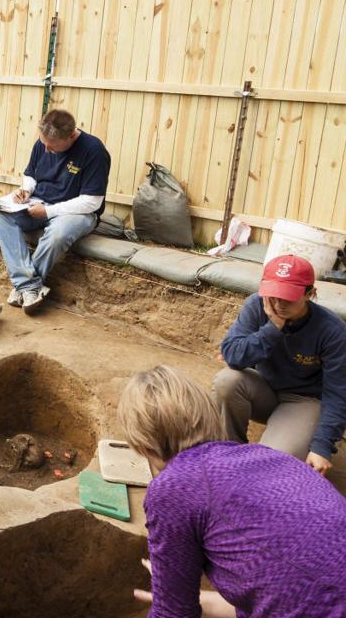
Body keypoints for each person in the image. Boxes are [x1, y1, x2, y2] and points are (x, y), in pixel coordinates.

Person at [119, 365, 346, 618]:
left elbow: (173, 614)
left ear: (142, 446)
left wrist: (171, 599)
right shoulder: (273, 457)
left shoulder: (175, 487)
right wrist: (200, 599)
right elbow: (295, 584)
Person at [215, 254, 345, 475]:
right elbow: (232, 355)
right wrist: (273, 328)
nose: (278, 303)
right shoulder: (256, 306)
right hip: (263, 389)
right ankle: (230, 451)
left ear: (310, 294)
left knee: (269, 463)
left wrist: (322, 446)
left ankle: (287, 437)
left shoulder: (332, 331)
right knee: (227, 380)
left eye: (287, 297)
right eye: (273, 295)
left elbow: (338, 393)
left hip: (303, 401)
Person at [0, 109, 110, 315]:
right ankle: (29, 286)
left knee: (58, 234)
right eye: (43, 142)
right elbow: (31, 174)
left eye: (53, 146)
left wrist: (48, 212)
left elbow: (91, 202)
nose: (46, 148)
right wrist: (26, 190)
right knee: (2, 215)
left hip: (77, 212)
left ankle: (25, 287)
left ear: (72, 136)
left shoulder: (94, 151)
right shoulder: (44, 142)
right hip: (39, 203)